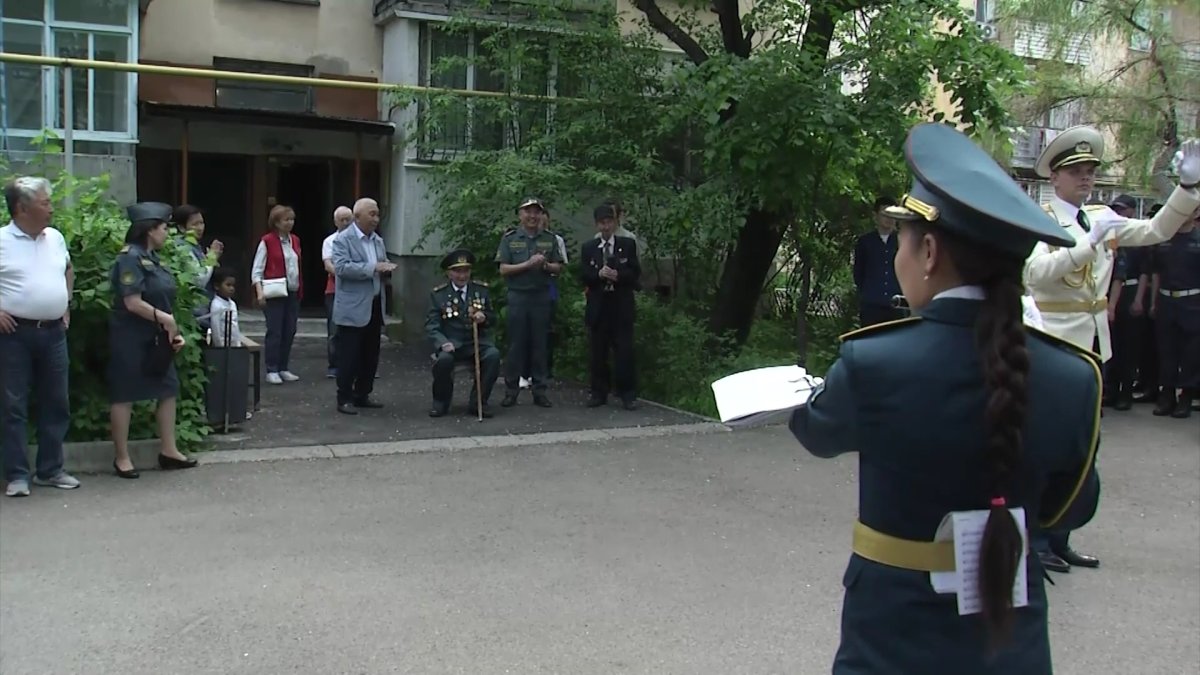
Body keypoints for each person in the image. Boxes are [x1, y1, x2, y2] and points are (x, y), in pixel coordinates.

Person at [789, 122, 1102, 673]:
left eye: (904, 243)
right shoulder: (1074, 377)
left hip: (893, 635)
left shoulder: (875, 361)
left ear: (929, 251)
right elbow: (1069, 508)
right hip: (1012, 640)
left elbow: (819, 432)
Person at [1024, 126, 1200, 572]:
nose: (1086, 177)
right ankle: (1036, 539)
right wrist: (1088, 245)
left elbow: (1157, 229)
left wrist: (1186, 188)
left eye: (1090, 170)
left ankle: (1061, 534)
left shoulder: (1100, 216)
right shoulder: (1040, 220)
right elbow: (1035, 275)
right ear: (1054, 177)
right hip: (1053, 343)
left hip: (1092, 346)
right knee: (1048, 445)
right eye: (1076, 171)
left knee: (1084, 447)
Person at [0, 176, 79, 497]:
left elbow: (68, 269)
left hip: (53, 332)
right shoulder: (2, 240)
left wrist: (65, 304)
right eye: (45, 203)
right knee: (13, 405)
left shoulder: (55, 237)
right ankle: (17, 475)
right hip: (13, 335)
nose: (51, 208)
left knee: (56, 402)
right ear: (22, 208)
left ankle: (51, 469)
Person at [108, 202, 198, 478]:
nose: (167, 233)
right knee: (125, 393)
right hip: (130, 336)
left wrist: (172, 331)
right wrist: (166, 320)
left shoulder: (154, 259)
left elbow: (162, 299)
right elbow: (132, 302)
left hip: (156, 336)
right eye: (163, 228)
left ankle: (169, 450)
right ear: (149, 230)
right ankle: (122, 457)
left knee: (167, 389)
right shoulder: (129, 258)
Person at [495, 197, 563, 408]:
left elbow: (559, 267)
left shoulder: (549, 239)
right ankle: (511, 391)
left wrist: (546, 266)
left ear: (541, 215)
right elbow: (503, 269)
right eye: (528, 212)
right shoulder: (510, 238)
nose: (532, 216)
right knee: (516, 345)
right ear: (520, 215)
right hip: (518, 296)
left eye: (536, 212)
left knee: (540, 344)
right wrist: (527, 264)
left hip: (541, 296)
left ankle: (540, 391)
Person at [331, 198, 395, 415]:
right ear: (357, 217)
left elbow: (381, 262)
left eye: (377, 214)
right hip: (352, 306)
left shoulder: (378, 240)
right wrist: (373, 268)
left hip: (375, 303)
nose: (376, 219)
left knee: (370, 354)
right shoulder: (343, 239)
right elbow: (341, 268)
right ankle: (344, 398)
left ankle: (362, 394)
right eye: (372, 214)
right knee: (349, 355)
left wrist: (387, 269)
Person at [425, 249, 500, 418]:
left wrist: (484, 317)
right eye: (457, 271)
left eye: (465, 271)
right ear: (449, 273)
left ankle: (478, 402)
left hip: (476, 342)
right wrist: (443, 342)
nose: (462, 276)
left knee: (493, 355)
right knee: (443, 361)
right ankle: (441, 402)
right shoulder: (439, 295)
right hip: (451, 343)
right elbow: (432, 325)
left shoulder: (480, 290)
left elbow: (493, 318)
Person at [581, 203, 641, 410]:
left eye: (609, 222)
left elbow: (635, 273)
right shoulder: (589, 247)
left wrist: (618, 275)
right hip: (599, 305)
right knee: (598, 352)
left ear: (615, 223)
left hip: (620, 305)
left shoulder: (627, 244)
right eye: (602, 223)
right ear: (597, 225)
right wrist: (598, 275)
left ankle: (627, 393)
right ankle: (598, 392)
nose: (606, 227)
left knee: (624, 351)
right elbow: (583, 275)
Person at [1149, 204, 1200, 417]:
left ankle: (1186, 397)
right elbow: (1156, 273)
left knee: (1191, 353)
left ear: (1196, 213)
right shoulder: (1164, 239)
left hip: (1193, 302)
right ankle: (1167, 395)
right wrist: (1153, 302)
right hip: (1166, 300)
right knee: (1166, 350)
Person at [251, 204, 302, 385]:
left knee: (290, 330)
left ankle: (283, 367)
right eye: (286, 220)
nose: (290, 223)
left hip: (293, 291)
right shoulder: (267, 241)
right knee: (275, 331)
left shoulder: (295, 240)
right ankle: (271, 369)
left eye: (292, 219)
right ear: (276, 222)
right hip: (274, 292)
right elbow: (257, 270)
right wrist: (260, 293)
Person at [852, 198, 903, 326]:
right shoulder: (865, 242)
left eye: (892, 214)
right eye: (885, 214)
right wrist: (868, 292)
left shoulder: (902, 242)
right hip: (871, 305)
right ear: (875, 216)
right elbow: (858, 273)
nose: (889, 218)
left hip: (897, 304)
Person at [323, 206, 353, 378]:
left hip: (355, 290)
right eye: (342, 219)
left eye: (348, 219)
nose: (346, 222)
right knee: (334, 330)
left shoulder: (359, 240)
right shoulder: (330, 241)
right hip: (334, 288)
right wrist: (347, 273)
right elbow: (328, 265)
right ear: (335, 222)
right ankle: (334, 365)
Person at [209, 267, 243, 348]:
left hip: (233, 344)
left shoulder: (232, 304)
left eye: (233, 285)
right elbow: (215, 328)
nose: (231, 288)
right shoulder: (216, 305)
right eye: (228, 285)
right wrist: (219, 346)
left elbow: (236, 325)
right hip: (222, 345)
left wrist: (238, 344)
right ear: (217, 286)